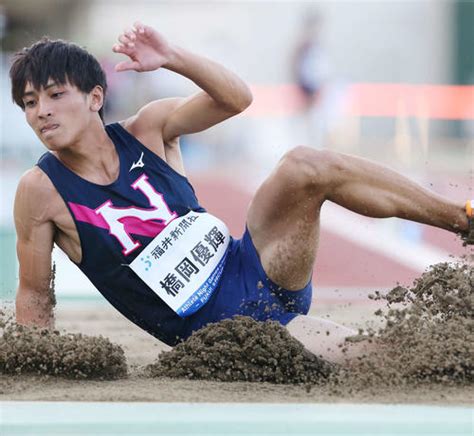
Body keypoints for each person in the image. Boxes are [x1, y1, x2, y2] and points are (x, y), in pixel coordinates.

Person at [10, 23, 473, 364]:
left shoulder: (148, 129)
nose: (41, 113)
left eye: (54, 95)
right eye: (30, 103)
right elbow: (34, 294)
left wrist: (174, 57)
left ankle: (463, 219)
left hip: (254, 262)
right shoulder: (41, 190)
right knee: (378, 356)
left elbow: (236, 100)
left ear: (94, 97)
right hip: (231, 331)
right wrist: (38, 363)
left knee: (305, 164)